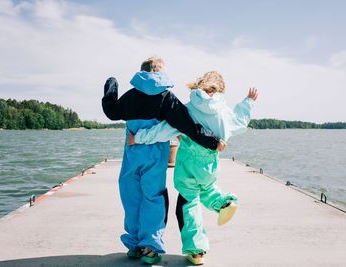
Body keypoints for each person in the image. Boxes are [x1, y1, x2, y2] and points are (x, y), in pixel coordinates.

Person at [102, 58, 225, 265]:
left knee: (131, 196)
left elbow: (112, 111)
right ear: (161, 75)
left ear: (142, 73)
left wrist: (111, 86)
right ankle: (150, 247)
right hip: (155, 156)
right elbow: (188, 125)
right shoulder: (166, 97)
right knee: (153, 198)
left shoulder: (131, 95)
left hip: (132, 155)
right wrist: (212, 142)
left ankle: (134, 244)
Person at [128, 71, 258, 265]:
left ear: (199, 84)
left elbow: (164, 131)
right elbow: (239, 123)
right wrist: (248, 102)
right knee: (206, 190)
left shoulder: (188, 109)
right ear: (220, 89)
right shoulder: (223, 110)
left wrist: (138, 138)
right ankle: (223, 202)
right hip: (210, 164)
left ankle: (196, 251)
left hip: (189, 165)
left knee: (188, 205)